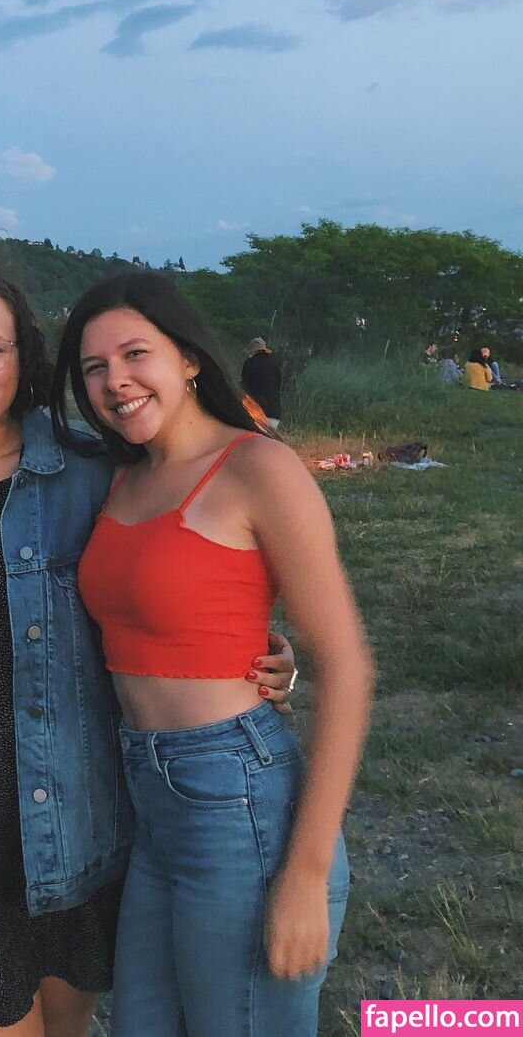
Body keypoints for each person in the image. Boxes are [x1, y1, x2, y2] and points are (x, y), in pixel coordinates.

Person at [0, 265, 297, 1037]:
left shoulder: (95, 472)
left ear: (23, 358)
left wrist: (257, 650)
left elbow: (166, 579)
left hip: (68, 820)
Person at [51, 273, 373, 1037]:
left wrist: (306, 872)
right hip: (150, 797)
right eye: (94, 367)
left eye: (136, 354)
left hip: (237, 796)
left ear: (189, 358)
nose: (115, 380)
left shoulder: (258, 468)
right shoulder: (124, 476)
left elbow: (348, 666)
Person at [240, 337, 282, 430]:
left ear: (253, 351)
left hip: (257, 413)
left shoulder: (250, 363)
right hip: (275, 414)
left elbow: (244, 387)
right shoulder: (274, 365)